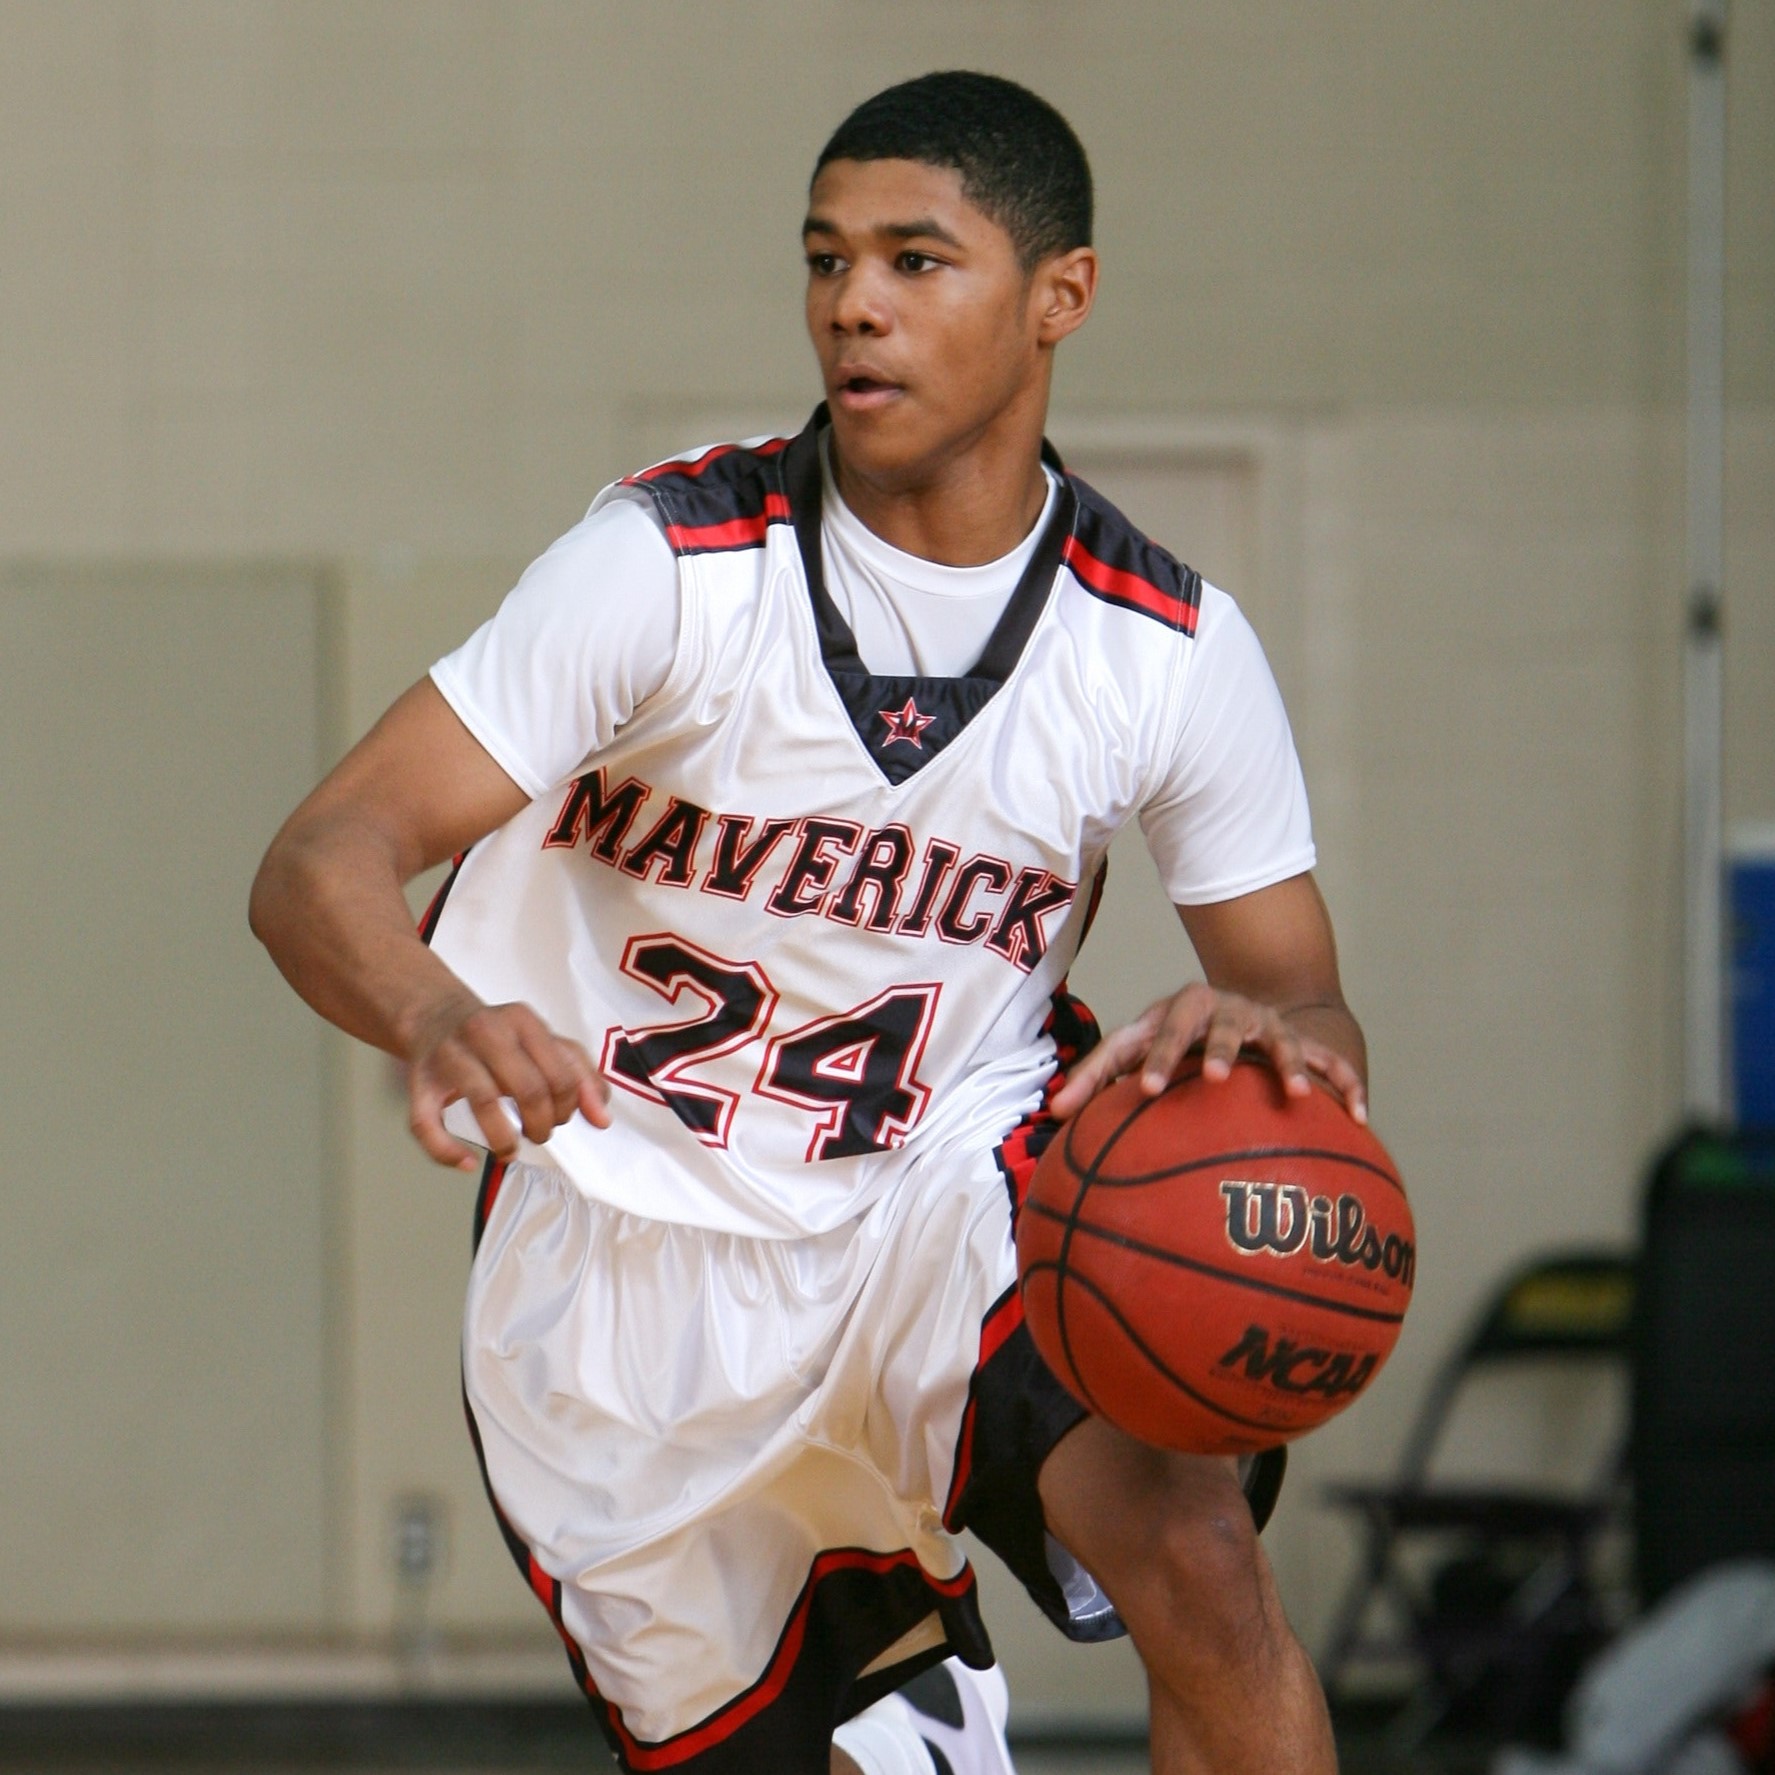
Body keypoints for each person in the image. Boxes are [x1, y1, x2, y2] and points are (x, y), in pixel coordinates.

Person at [251, 70, 1366, 1775]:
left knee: (1199, 1560)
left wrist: (1272, 1045)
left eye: (920, 260)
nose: (856, 300)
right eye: (829, 257)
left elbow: (1309, 1009)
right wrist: (430, 1011)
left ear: (1059, 295)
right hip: (622, 1272)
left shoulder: (1164, 649)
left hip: (941, 1192)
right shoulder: (673, 567)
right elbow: (323, 853)